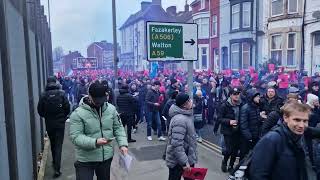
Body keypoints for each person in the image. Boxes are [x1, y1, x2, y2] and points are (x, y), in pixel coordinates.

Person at [69, 81, 128, 180]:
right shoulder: (77, 114)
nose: (100, 103)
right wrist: (95, 142)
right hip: (85, 159)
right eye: (97, 101)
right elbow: (76, 137)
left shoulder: (111, 109)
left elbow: (118, 127)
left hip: (105, 158)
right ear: (89, 96)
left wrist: (123, 144)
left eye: (102, 100)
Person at [249, 101, 319, 180]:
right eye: (297, 120)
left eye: (305, 121)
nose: (301, 125)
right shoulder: (272, 140)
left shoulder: (299, 137)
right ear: (285, 118)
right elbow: (258, 174)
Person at [37, 76, 70, 178]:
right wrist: (64, 117)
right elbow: (67, 108)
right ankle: (57, 169)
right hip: (60, 124)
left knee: (53, 143)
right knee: (59, 144)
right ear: (55, 82)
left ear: (47, 83)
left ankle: (55, 163)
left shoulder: (44, 95)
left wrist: (47, 116)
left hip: (49, 123)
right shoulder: (61, 93)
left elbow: (40, 110)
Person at [166, 93, 198, 180]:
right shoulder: (180, 120)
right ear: (185, 104)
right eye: (189, 100)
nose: (192, 101)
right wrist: (184, 163)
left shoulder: (186, 115)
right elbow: (177, 144)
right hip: (179, 162)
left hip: (186, 157)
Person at [218, 87, 243, 173]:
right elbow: (219, 119)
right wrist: (229, 121)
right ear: (230, 95)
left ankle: (231, 166)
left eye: (238, 94)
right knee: (228, 149)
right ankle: (224, 162)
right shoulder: (224, 105)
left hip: (238, 130)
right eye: (234, 94)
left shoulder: (241, 104)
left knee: (235, 150)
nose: (237, 96)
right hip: (228, 131)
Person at [239, 89, 261, 160]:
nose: (259, 98)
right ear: (252, 97)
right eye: (257, 96)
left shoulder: (256, 106)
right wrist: (249, 137)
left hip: (255, 135)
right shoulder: (245, 108)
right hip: (248, 137)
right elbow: (243, 124)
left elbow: (255, 121)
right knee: (244, 154)